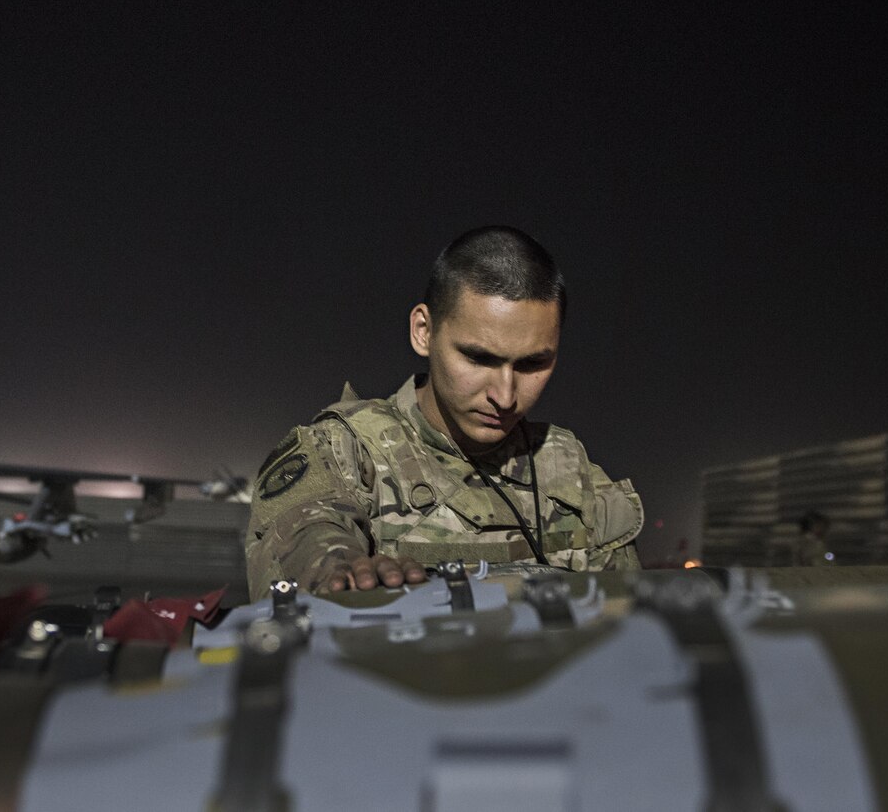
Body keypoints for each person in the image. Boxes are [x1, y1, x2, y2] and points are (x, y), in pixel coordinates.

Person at [244, 226, 643, 598]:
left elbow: (630, 622)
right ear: (424, 331)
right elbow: (309, 535)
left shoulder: (572, 473)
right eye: (478, 358)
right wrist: (345, 573)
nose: (505, 397)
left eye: (532, 364)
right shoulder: (343, 450)